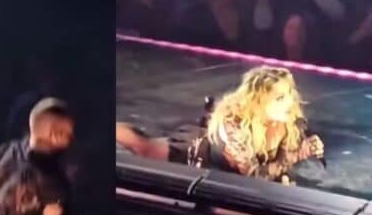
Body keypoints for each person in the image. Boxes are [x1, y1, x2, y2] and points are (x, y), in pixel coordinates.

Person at [116, 66, 324, 183]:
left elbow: (278, 164)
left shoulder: (287, 120)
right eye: (279, 98)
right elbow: (252, 175)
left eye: (289, 95)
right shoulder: (231, 126)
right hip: (196, 156)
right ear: (259, 102)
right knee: (142, 146)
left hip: (226, 174)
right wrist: (296, 155)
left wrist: (305, 148)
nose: (289, 102)